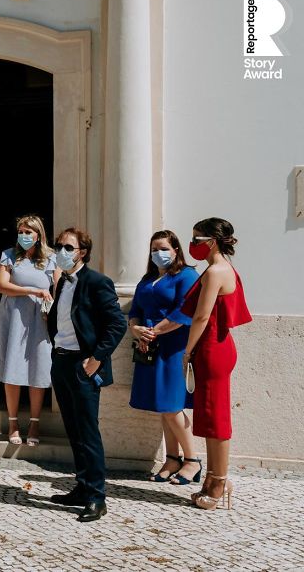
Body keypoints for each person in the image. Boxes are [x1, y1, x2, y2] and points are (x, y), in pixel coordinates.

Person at [46, 227, 126, 522]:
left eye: (68, 247)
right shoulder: (63, 282)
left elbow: (117, 325)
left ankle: (96, 497)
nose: (61, 252)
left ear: (82, 252)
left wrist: (96, 359)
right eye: (59, 246)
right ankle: (81, 486)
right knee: (73, 429)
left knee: (88, 432)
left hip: (84, 365)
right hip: (62, 361)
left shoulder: (97, 282)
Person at [181, 218, 251, 511]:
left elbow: (201, 316)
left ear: (211, 241)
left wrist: (187, 351)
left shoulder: (216, 271)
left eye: (197, 239)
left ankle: (220, 481)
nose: (193, 244)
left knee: (217, 417)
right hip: (216, 346)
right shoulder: (222, 269)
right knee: (210, 416)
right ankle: (212, 478)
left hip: (212, 346)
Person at [128, 230, 200, 485]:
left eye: (163, 248)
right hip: (149, 346)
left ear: (176, 249)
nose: (158, 253)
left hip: (173, 347)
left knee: (172, 405)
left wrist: (154, 332)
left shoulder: (187, 275)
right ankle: (172, 458)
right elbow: (135, 309)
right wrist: (137, 329)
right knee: (163, 406)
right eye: (154, 249)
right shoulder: (147, 279)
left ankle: (193, 460)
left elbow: (184, 312)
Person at [0, 214, 59, 446]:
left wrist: (52, 309)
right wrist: (33, 291)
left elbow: (58, 287)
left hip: (40, 318)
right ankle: (13, 422)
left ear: (38, 235)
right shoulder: (9, 255)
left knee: (38, 368)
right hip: (14, 316)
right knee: (13, 369)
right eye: (21, 232)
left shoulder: (51, 258)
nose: (24, 236)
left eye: (29, 232)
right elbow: (2, 285)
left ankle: (35, 422)